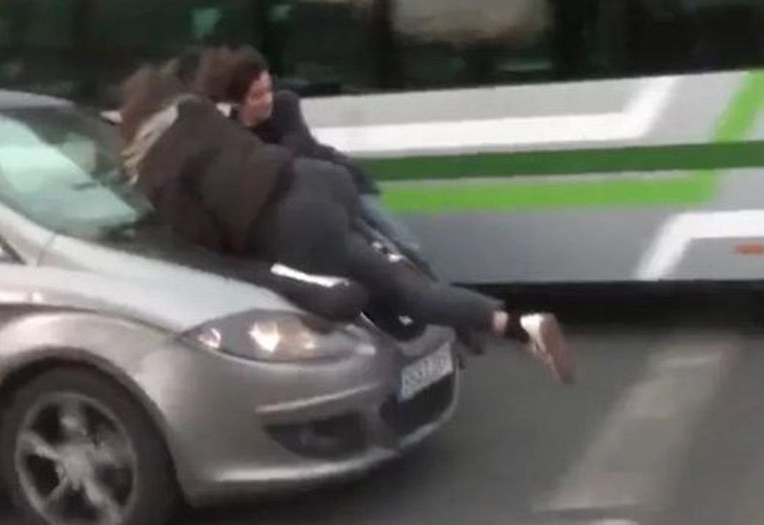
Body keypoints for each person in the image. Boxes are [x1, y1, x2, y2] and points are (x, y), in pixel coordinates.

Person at [118, 52, 575, 385]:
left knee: (372, 298)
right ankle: (513, 325)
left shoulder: (155, 175)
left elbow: (204, 241)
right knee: (399, 284)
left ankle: (416, 363)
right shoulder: (193, 112)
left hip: (289, 226)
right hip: (319, 183)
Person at [221, 45, 434, 275]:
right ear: (236, 101)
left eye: (268, 90)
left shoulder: (285, 104)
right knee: (372, 255)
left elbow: (297, 148)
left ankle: (434, 287)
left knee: (405, 244)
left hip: (346, 182)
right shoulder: (232, 135)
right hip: (316, 204)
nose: (267, 100)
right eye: (257, 95)